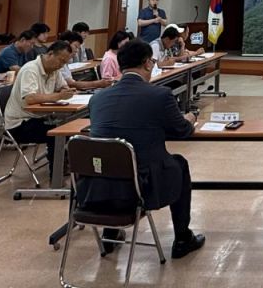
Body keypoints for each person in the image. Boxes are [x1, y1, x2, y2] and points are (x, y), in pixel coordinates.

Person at [79, 38, 206, 259]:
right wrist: (190, 117)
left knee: (114, 158)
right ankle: (182, 238)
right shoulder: (160, 95)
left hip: (96, 187)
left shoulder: (98, 98)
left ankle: (110, 233)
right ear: (148, 63)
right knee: (179, 164)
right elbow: (182, 131)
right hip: (142, 186)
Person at [2, 41, 75, 176]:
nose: (61, 65)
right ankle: (57, 174)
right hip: (20, 123)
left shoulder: (54, 70)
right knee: (57, 133)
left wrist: (66, 90)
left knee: (70, 127)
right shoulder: (30, 69)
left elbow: (63, 87)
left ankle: (65, 161)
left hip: (40, 117)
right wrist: (59, 96)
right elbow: (30, 99)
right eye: (61, 61)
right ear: (50, 54)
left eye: (65, 63)